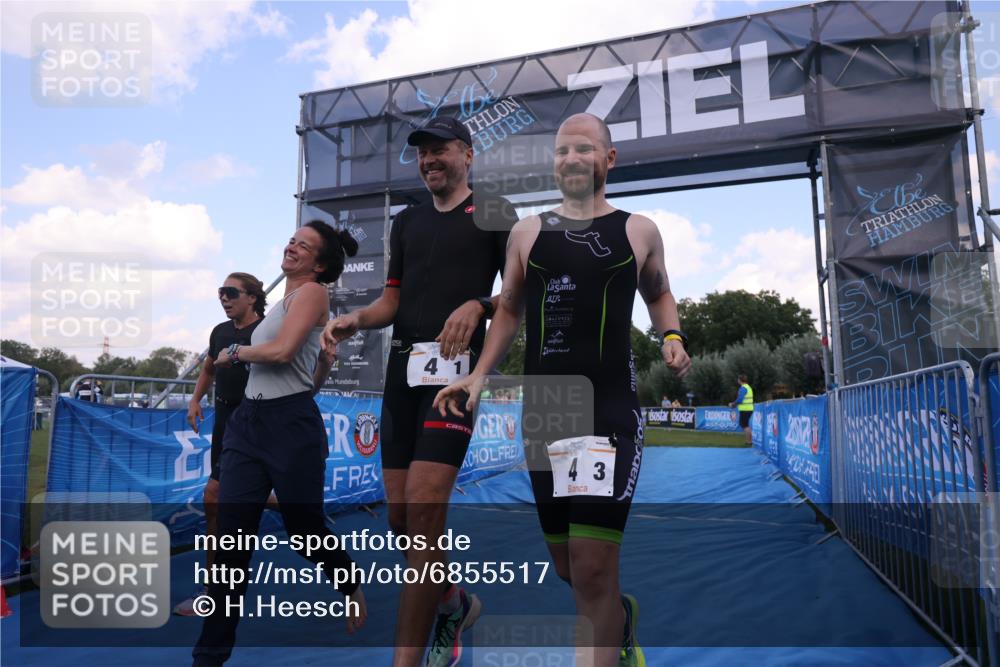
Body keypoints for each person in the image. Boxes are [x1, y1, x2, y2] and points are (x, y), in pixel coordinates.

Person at [433, 113, 691, 667]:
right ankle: (619, 618)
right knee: (569, 567)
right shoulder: (529, 232)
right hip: (547, 413)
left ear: (609, 159)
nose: (570, 159)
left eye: (583, 149)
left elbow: (660, 293)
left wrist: (671, 334)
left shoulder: (638, 229)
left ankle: (606, 633)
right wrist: (479, 373)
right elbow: (508, 310)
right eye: (560, 151)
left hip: (606, 412)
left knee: (592, 567)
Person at [322, 116, 517, 667]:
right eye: (422, 154)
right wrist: (354, 319)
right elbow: (392, 302)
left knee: (427, 519)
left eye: (440, 151)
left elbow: (519, 299)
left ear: (468, 155)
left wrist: (479, 303)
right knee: (404, 522)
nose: (429, 160)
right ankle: (453, 604)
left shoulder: (496, 213)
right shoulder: (406, 222)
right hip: (401, 381)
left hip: (454, 382)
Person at [192, 221, 367, 667]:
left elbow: (282, 354)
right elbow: (304, 372)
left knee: (305, 531)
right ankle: (208, 657)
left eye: (304, 246)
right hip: (248, 425)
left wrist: (237, 353)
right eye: (293, 240)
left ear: (320, 263)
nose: (292, 247)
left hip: (290, 427)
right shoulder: (281, 306)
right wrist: (322, 363)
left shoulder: (313, 293)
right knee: (230, 545)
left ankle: (348, 582)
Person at [174, 273, 266, 616]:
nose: (223, 298)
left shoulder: (267, 331)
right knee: (214, 499)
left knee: (226, 499)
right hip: (227, 422)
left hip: (260, 421)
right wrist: (195, 400)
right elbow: (209, 369)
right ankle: (215, 587)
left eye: (230, 293)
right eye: (220, 292)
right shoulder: (219, 332)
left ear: (252, 297)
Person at [729, 374, 754, 445]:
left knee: (745, 425)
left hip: (745, 409)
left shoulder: (743, 388)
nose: (737, 380)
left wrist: (733, 404)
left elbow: (740, 399)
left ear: (740, 380)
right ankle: (749, 441)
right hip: (748, 408)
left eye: (738, 379)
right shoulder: (748, 387)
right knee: (745, 424)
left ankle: (749, 442)